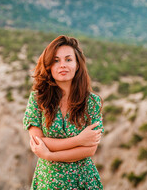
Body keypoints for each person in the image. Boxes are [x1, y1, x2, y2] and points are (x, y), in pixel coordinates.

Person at [23, 35, 104, 189]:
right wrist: (79, 140)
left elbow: (90, 149)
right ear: (48, 66)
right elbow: (37, 142)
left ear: (77, 65)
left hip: (83, 181)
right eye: (56, 60)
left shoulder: (92, 102)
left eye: (68, 59)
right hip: (48, 181)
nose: (62, 65)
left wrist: (50, 154)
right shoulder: (38, 99)